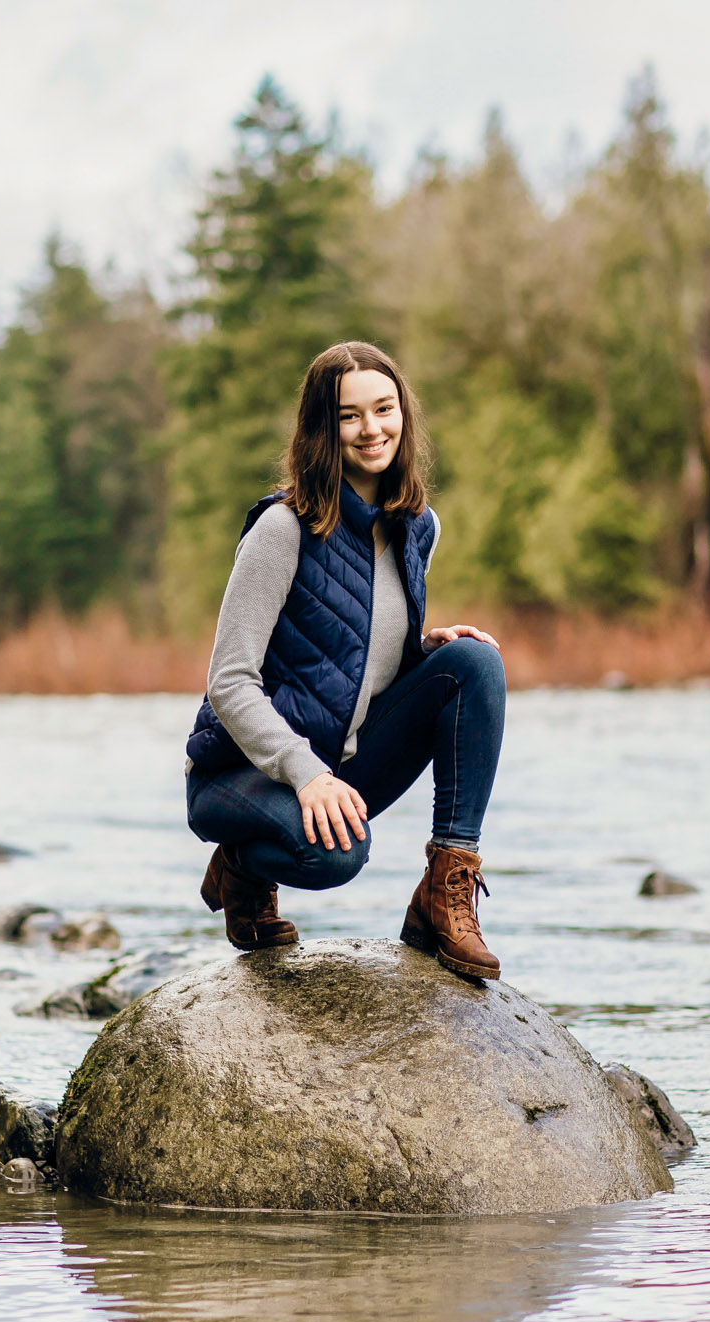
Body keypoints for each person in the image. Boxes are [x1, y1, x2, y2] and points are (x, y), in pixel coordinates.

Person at [184, 340, 507, 980]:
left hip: (339, 765)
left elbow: (348, 650)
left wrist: (425, 653)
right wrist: (305, 775)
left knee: (475, 663)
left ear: (403, 416)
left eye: (383, 409)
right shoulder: (281, 529)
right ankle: (241, 867)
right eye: (349, 416)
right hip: (241, 774)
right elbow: (229, 681)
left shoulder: (419, 526)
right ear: (321, 430)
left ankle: (445, 885)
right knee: (335, 857)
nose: (371, 429)